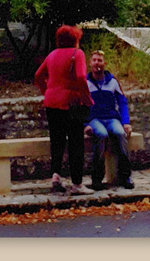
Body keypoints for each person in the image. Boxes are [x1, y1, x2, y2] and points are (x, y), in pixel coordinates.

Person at [34, 24, 93, 195]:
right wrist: (87, 98)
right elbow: (82, 76)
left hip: (51, 104)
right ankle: (77, 184)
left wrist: (47, 92)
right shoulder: (77, 54)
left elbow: (38, 75)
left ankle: (56, 177)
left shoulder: (52, 55)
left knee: (57, 141)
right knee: (76, 143)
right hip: (71, 104)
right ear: (75, 39)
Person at [85, 49, 134, 190]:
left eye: (99, 60)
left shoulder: (113, 82)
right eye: (94, 60)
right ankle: (97, 178)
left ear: (104, 63)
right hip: (95, 119)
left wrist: (125, 122)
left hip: (112, 118)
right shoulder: (85, 83)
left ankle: (126, 176)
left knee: (120, 133)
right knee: (101, 135)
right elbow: (80, 105)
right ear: (90, 63)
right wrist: (86, 124)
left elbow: (122, 103)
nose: (97, 63)